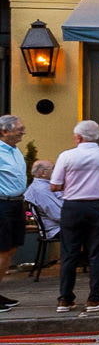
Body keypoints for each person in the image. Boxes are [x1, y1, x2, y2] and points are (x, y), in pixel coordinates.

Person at [48, 120, 99, 315]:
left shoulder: (66, 156)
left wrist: (73, 184)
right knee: (97, 253)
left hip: (73, 207)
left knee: (69, 253)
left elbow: (54, 186)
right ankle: (94, 298)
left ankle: (65, 298)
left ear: (79, 137)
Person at [0, 114, 26, 312]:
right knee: (2, 250)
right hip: (3, 204)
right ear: (4, 131)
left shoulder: (15, 150)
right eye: (19, 128)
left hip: (16, 204)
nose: (23, 131)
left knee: (11, 248)